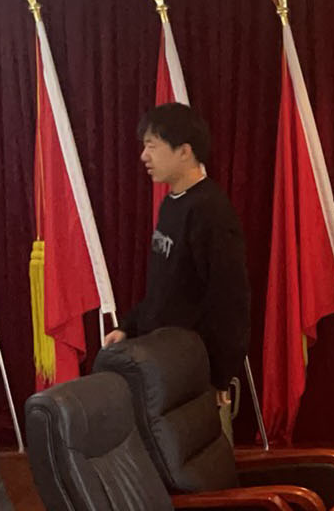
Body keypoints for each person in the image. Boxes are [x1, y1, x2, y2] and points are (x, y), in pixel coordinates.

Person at [103, 103, 249, 438]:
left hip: (196, 371)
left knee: (205, 456)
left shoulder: (211, 211)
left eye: (152, 146)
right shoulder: (171, 204)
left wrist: (220, 376)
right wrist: (129, 326)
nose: (144, 156)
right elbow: (165, 288)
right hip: (164, 362)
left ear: (184, 151)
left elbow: (230, 301)